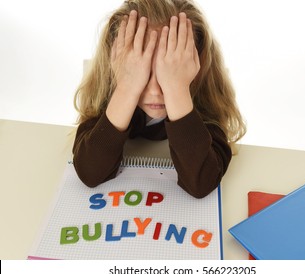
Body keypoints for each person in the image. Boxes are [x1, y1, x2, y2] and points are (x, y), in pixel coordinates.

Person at [73, 0, 246, 198]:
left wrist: (176, 89)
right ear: (114, 66)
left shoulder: (204, 100)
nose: (156, 90)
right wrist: (127, 88)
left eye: (170, 72)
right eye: (143, 72)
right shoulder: (109, 91)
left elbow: (201, 184)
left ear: (198, 64)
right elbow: (90, 173)